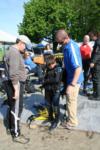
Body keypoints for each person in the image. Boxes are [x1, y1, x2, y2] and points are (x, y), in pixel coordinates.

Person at [3, 35, 31, 143]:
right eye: (25, 46)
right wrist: (16, 89)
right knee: (16, 109)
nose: (25, 49)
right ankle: (16, 133)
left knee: (12, 107)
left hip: (12, 83)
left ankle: (11, 128)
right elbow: (13, 73)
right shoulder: (14, 53)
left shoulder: (10, 51)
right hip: (16, 84)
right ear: (21, 43)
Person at [55, 29, 84, 129]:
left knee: (71, 101)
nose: (59, 44)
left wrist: (72, 85)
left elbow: (78, 68)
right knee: (69, 100)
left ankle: (72, 122)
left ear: (66, 38)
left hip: (74, 80)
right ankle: (70, 117)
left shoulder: (71, 47)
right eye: (58, 43)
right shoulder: (66, 46)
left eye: (61, 42)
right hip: (70, 78)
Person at [42, 55, 62, 131]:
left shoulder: (58, 68)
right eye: (48, 64)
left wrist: (45, 81)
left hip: (55, 90)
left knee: (55, 106)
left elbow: (56, 80)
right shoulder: (47, 68)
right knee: (47, 104)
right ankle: (50, 117)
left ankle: (56, 121)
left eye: (51, 64)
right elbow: (44, 76)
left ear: (54, 62)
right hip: (47, 89)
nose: (50, 66)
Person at [88, 31, 100, 100]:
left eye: (91, 37)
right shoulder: (97, 41)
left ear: (94, 35)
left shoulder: (98, 42)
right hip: (97, 63)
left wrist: (93, 62)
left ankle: (98, 96)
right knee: (95, 79)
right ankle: (95, 93)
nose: (91, 38)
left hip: (97, 64)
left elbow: (97, 54)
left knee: (96, 80)